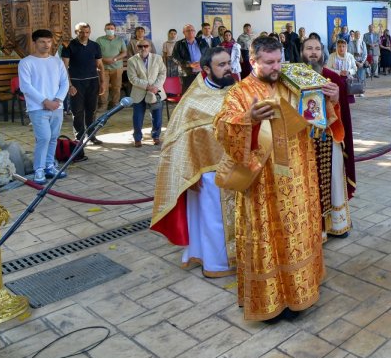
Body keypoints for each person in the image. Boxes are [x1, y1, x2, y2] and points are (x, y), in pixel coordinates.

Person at [214, 36, 328, 320]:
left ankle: (299, 294)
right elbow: (221, 128)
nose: (276, 67)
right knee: (265, 238)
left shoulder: (292, 82)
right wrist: (248, 119)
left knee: (296, 235)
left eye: (279, 61)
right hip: (263, 183)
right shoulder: (239, 92)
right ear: (253, 61)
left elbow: (318, 120)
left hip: (299, 176)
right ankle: (270, 302)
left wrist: (331, 101)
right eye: (269, 62)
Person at [151, 46, 238, 278]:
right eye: (222, 65)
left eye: (229, 62)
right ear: (206, 69)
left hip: (239, 169)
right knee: (214, 221)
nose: (228, 68)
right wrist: (189, 174)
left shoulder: (238, 91)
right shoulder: (192, 101)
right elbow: (175, 142)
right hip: (208, 172)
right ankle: (217, 264)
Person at [301, 34, 357, 237]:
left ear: (322, 52)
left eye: (317, 48)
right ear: (302, 52)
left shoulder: (333, 78)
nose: (313, 52)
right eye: (309, 48)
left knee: (333, 179)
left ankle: (337, 224)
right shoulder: (293, 78)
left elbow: (344, 113)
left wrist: (334, 99)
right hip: (303, 141)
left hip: (329, 138)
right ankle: (311, 226)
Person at [19, 29, 69, 182]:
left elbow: (65, 82)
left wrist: (58, 100)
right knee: (44, 138)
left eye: (49, 41)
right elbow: (26, 87)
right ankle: (38, 169)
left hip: (56, 107)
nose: (46, 45)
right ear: (34, 43)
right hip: (38, 108)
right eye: (42, 41)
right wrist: (45, 101)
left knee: (53, 137)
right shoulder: (26, 62)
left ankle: (49, 166)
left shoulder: (56, 61)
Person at [61, 22, 106, 156]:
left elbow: (100, 65)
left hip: (93, 82)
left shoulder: (95, 45)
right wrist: (69, 85)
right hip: (76, 83)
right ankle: (79, 138)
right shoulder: (69, 46)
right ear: (76, 32)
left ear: (90, 32)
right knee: (78, 111)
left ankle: (91, 135)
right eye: (81, 32)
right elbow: (64, 67)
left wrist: (102, 82)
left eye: (87, 32)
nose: (84, 34)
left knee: (91, 110)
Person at [127, 37, 166, 147]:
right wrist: (148, 86)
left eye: (145, 46)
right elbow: (132, 78)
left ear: (149, 47)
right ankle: (137, 138)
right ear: (136, 47)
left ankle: (156, 136)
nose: (143, 48)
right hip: (139, 93)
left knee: (157, 116)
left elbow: (162, 73)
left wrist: (155, 86)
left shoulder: (157, 58)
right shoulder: (132, 60)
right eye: (140, 46)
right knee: (137, 117)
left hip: (156, 91)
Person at [95, 22, 128, 110]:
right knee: (103, 86)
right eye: (108, 29)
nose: (110, 30)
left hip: (117, 68)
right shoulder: (99, 40)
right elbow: (95, 53)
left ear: (115, 29)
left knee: (117, 87)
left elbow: (124, 52)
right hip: (103, 68)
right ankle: (103, 105)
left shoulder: (120, 40)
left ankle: (114, 104)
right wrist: (104, 60)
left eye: (111, 28)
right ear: (105, 30)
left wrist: (115, 59)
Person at [172, 24, 204, 90]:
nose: (190, 32)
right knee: (187, 93)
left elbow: (208, 54)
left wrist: (203, 62)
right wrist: (189, 64)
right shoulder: (179, 44)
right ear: (184, 32)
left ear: (195, 31)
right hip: (187, 73)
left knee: (201, 93)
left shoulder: (202, 41)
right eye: (188, 30)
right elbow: (175, 58)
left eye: (192, 30)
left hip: (202, 72)